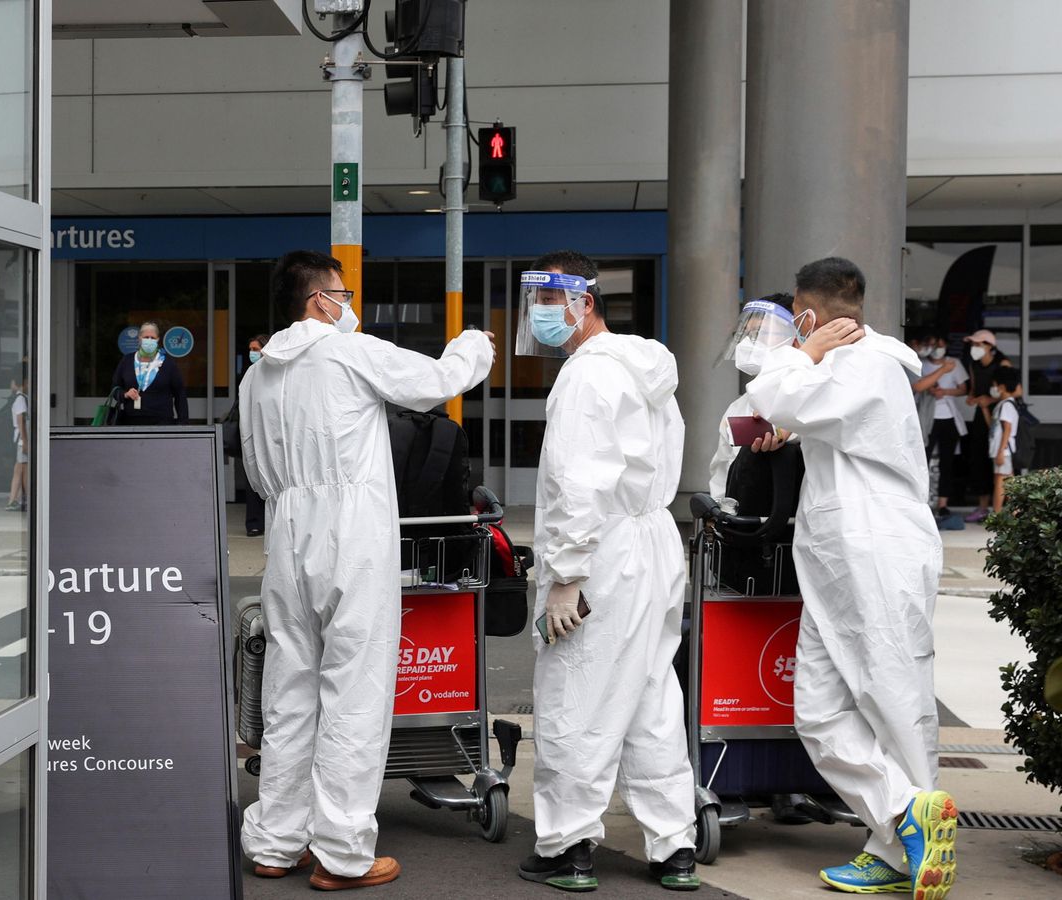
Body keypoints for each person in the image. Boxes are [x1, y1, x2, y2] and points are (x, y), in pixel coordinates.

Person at [239, 250, 493, 891]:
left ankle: (275, 839)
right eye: (342, 293)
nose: (348, 303)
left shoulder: (255, 378)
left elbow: (257, 471)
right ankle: (343, 853)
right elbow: (435, 382)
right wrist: (472, 345)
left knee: (289, 691)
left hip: (286, 533)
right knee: (354, 691)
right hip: (350, 534)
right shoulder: (346, 353)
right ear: (320, 300)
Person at [744, 257, 956, 896]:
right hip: (849, 554)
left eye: (797, 323)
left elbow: (772, 390)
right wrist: (791, 425)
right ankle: (902, 820)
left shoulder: (861, 361)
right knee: (819, 709)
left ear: (809, 314)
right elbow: (793, 411)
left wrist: (801, 352)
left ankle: (905, 839)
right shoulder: (850, 367)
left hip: (874, 549)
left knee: (892, 696)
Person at [514, 250, 700, 893]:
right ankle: (674, 846)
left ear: (582, 302)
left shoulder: (587, 377)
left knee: (577, 692)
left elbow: (578, 482)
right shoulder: (646, 367)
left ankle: (568, 846)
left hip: (602, 551)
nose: (537, 318)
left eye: (544, 304)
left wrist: (566, 572)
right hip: (652, 542)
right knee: (651, 695)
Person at [708, 292, 796, 500]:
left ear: (791, 336)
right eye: (745, 334)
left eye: (759, 333)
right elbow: (722, 474)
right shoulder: (738, 408)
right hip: (746, 526)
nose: (749, 343)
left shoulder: (812, 393)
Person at [962, 329, 1016, 523]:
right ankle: (983, 507)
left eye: (979, 344)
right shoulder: (973, 365)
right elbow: (974, 390)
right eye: (973, 344)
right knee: (978, 458)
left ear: (990, 346)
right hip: (981, 416)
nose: (975, 348)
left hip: (999, 416)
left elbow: (1016, 391)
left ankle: (1007, 508)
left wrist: (991, 398)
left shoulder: (1003, 363)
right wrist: (973, 398)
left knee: (1003, 468)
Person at [914, 334, 967, 522]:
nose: (938, 348)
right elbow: (918, 385)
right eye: (935, 344)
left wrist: (945, 391)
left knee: (947, 463)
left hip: (949, 417)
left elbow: (964, 389)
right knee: (923, 460)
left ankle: (943, 504)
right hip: (927, 417)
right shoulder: (919, 362)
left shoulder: (954, 363)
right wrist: (930, 388)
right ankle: (922, 501)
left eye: (942, 345)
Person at [112, 321, 188, 426]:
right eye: (146, 337)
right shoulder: (127, 360)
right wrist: (125, 394)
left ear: (158, 340)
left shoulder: (168, 363)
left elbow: (180, 394)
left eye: (152, 338)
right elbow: (115, 388)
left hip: (162, 423)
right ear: (139, 338)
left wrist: (182, 423)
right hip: (131, 422)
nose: (149, 340)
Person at [240, 334, 269, 536]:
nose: (252, 353)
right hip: (253, 430)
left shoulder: (271, 373)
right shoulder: (249, 373)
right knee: (252, 476)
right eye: (250, 349)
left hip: (269, 432)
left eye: (256, 349)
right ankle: (254, 522)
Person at [990, 367, 1023, 514]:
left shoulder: (1007, 405)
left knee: (1000, 482)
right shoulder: (1003, 405)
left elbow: (1007, 429)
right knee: (1010, 483)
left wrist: (1001, 452)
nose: (993, 388)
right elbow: (996, 427)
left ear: (1002, 387)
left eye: (994, 385)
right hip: (1002, 450)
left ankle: (996, 516)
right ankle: (1017, 513)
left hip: (1003, 451)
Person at [7, 368, 30, 512]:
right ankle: (19, 499)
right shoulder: (21, 399)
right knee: (23, 471)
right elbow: (21, 419)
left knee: (19, 470)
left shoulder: (21, 398)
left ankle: (14, 499)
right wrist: (25, 440)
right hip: (22, 440)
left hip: (20, 439)